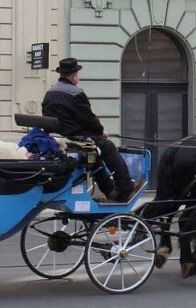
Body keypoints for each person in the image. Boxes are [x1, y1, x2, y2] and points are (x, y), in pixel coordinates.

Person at [41, 57, 136, 202]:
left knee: (95, 155)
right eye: (77, 75)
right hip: (75, 139)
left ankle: (109, 189)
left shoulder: (49, 93)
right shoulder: (76, 93)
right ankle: (126, 188)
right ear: (74, 76)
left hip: (59, 139)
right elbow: (88, 119)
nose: (78, 79)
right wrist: (101, 132)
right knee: (108, 147)